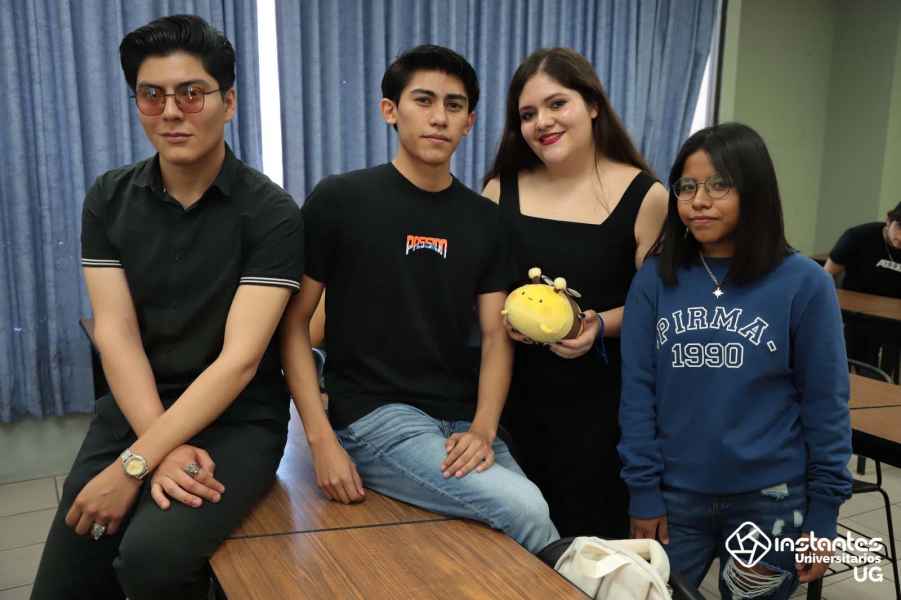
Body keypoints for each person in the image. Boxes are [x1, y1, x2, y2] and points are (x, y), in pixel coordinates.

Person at [32, 15, 304, 600]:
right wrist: (153, 450)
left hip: (236, 421)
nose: (172, 112)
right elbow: (115, 334)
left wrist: (136, 464)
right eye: (152, 95)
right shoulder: (109, 197)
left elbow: (239, 361)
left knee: (151, 560)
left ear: (229, 103)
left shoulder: (271, 213)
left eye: (192, 93)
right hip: (135, 406)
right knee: (67, 576)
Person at [279, 45, 559, 553]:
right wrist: (321, 441)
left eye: (454, 105)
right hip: (374, 415)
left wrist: (483, 428)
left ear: (469, 122)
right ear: (390, 110)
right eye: (423, 100)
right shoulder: (341, 200)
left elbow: (496, 334)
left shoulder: (486, 220)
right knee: (527, 511)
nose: (438, 118)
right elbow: (293, 324)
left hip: (460, 416)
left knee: (523, 526)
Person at [619, 123, 852, 599]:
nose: (698, 201)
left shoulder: (804, 283)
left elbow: (825, 402)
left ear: (755, 190)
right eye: (687, 187)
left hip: (771, 499)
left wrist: (824, 513)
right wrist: (642, 490)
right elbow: (637, 393)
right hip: (674, 496)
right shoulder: (655, 280)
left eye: (719, 185)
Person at [481, 47, 667, 538]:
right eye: (527, 114)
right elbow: (480, 292)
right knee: (513, 551)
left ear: (593, 105)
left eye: (556, 104)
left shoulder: (646, 196)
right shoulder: (500, 190)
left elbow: (662, 309)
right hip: (514, 407)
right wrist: (501, 317)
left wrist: (598, 324)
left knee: (591, 552)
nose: (542, 122)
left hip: (605, 414)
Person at [824, 202, 901, 376]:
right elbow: (825, 277)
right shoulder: (857, 237)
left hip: (895, 318)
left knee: (885, 363)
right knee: (856, 356)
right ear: (888, 220)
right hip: (857, 315)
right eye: (899, 227)